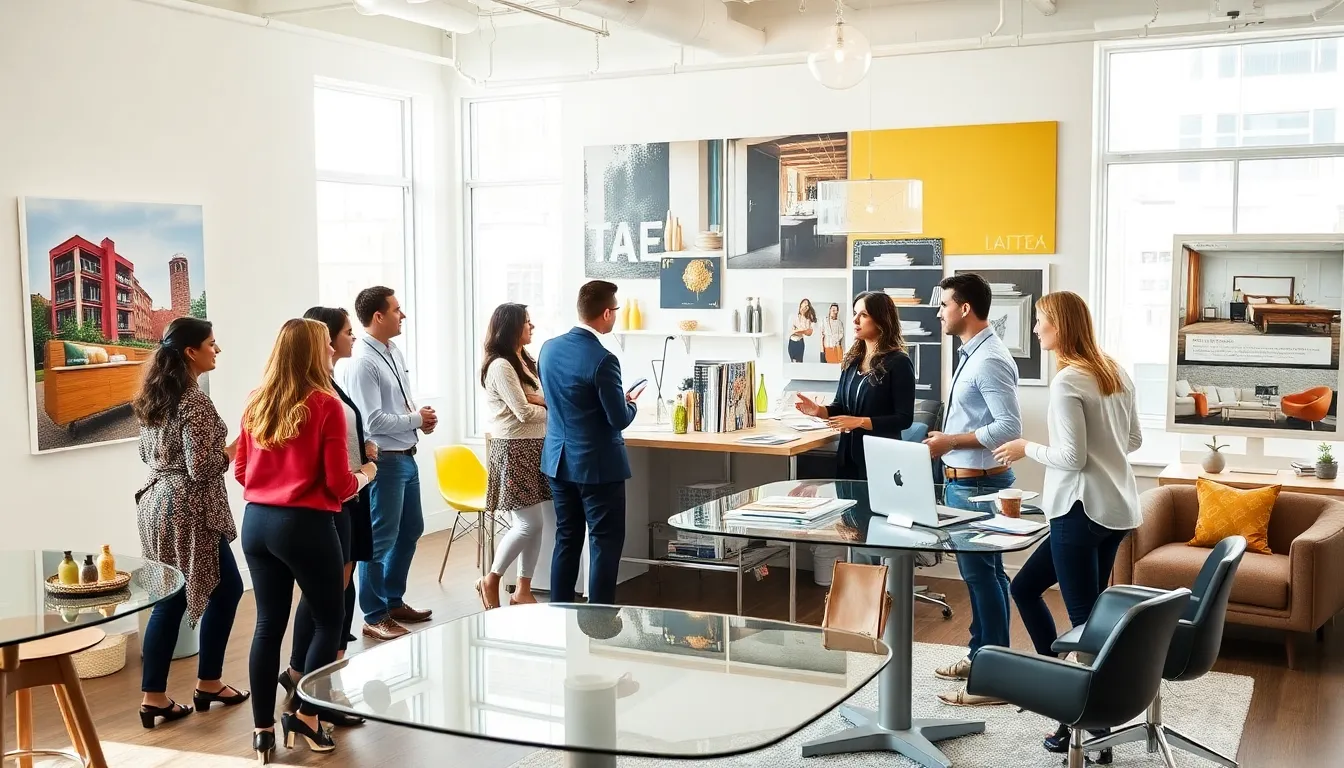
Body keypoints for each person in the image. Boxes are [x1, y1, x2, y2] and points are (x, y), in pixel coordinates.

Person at [993, 291, 1142, 758]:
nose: (1036, 330)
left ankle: (1082, 721)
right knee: (1033, 591)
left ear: (1060, 325)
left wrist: (1025, 448)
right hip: (1114, 511)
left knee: (1083, 623)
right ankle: (1067, 694)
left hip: (1078, 512)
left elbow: (1071, 459)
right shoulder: (1114, 371)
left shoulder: (1067, 381)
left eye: (1041, 321)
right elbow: (1133, 440)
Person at [236, 318, 377, 762]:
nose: (333, 352)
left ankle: (262, 732)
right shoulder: (325, 405)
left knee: (266, 625)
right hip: (306, 524)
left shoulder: (256, 401)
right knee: (328, 619)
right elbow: (338, 485)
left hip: (257, 523)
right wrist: (368, 473)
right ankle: (305, 714)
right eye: (327, 346)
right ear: (313, 353)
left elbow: (241, 471)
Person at [133, 317, 248, 728]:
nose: (217, 350)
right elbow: (202, 468)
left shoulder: (157, 394)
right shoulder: (194, 400)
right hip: (188, 509)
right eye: (212, 344)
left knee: (172, 597)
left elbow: (149, 456)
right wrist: (236, 446)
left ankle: (157, 696)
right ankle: (207, 684)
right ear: (190, 352)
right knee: (224, 588)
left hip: (157, 505)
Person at [272, 307, 376, 729]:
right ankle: (316, 687)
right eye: (346, 333)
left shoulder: (329, 385)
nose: (350, 339)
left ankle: (310, 678)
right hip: (338, 499)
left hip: (346, 497)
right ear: (323, 341)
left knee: (334, 595)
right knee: (330, 596)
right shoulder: (319, 394)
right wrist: (366, 470)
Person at [923, 273, 1022, 707]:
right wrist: (949, 436)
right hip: (964, 482)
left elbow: (1008, 428)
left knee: (983, 578)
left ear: (964, 309)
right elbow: (977, 417)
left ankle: (996, 677)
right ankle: (982, 656)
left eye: (944, 304)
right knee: (986, 576)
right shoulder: (974, 352)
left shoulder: (990, 359)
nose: (939, 311)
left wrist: (951, 442)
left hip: (979, 486)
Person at [343, 286, 436, 641]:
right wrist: (415, 419)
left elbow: (399, 404)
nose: (404, 315)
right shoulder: (363, 361)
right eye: (397, 310)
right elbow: (372, 420)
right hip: (386, 461)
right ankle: (374, 613)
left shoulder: (392, 350)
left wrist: (419, 420)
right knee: (379, 540)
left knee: (411, 530)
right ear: (378, 316)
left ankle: (393, 601)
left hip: (407, 456)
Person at [538, 280, 639, 605]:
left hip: (557, 460)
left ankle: (560, 612)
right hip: (597, 467)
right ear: (607, 313)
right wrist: (631, 404)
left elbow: (564, 399)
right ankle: (599, 621)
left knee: (566, 538)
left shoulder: (548, 348)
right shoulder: (603, 359)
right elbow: (618, 419)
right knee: (604, 544)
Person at [477, 303, 552, 609]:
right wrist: (547, 405)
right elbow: (522, 412)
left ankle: (523, 588)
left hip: (535, 447)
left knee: (537, 524)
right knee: (528, 523)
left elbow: (539, 399)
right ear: (511, 327)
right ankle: (492, 578)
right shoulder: (501, 366)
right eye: (527, 322)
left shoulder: (525, 360)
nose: (532, 327)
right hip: (514, 449)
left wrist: (541, 400)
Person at [796, 292, 915, 480]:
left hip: (881, 461)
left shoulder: (899, 362)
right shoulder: (851, 361)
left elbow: (904, 419)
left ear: (881, 320)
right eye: (854, 313)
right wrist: (819, 411)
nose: (855, 320)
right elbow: (840, 407)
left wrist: (860, 422)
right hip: (847, 459)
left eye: (864, 315)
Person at [788, 298, 816, 363]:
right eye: (805, 302)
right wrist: (800, 330)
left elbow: (807, 332)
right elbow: (791, 330)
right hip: (792, 342)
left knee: (800, 362)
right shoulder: (793, 316)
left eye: (807, 305)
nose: (806, 305)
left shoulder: (807, 319)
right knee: (793, 362)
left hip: (800, 342)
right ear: (801, 304)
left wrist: (797, 330)